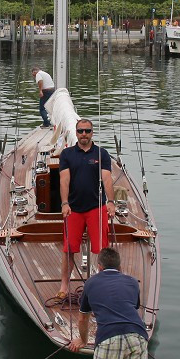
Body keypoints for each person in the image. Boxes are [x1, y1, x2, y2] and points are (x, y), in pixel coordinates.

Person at [58, 118, 115, 299]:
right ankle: (64, 285)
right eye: (81, 131)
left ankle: (101, 284)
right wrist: (65, 203)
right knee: (69, 249)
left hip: (95, 208)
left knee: (101, 248)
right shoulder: (66, 155)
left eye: (87, 131)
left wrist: (111, 202)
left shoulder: (101, 154)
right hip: (73, 209)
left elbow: (106, 179)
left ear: (92, 133)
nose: (84, 134)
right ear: (76, 133)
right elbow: (64, 180)